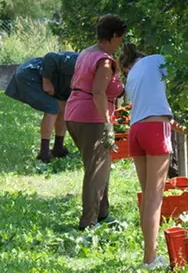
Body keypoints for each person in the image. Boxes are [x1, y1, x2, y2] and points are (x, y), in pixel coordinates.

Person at [119, 42, 188, 270]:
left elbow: (155, 112)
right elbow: (184, 75)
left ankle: (150, 255)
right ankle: (150, 259)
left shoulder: (132, 77)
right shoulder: (156, 60)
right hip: (155, 131)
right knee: (155, 198)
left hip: (135, 132)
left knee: (148, 196)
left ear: (126, 66)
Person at [65, 14, 127, 230]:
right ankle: (89, 221)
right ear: (113, 36)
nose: (120, 43)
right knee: (97, 168)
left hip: (74, 113)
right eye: (120, 38)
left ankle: (102, 213)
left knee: (100, 166)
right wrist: (108, 123)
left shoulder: (86, 53)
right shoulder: (104, 60)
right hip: (91, 117)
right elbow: (98, 93)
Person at [5, 51, 79, 163]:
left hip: (45, 79)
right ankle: (44, 153)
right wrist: (47, 82)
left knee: (64, 109)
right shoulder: (79, 62)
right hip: (30, 73)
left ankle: (58, 148)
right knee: (53, 108)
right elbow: (50, 57)